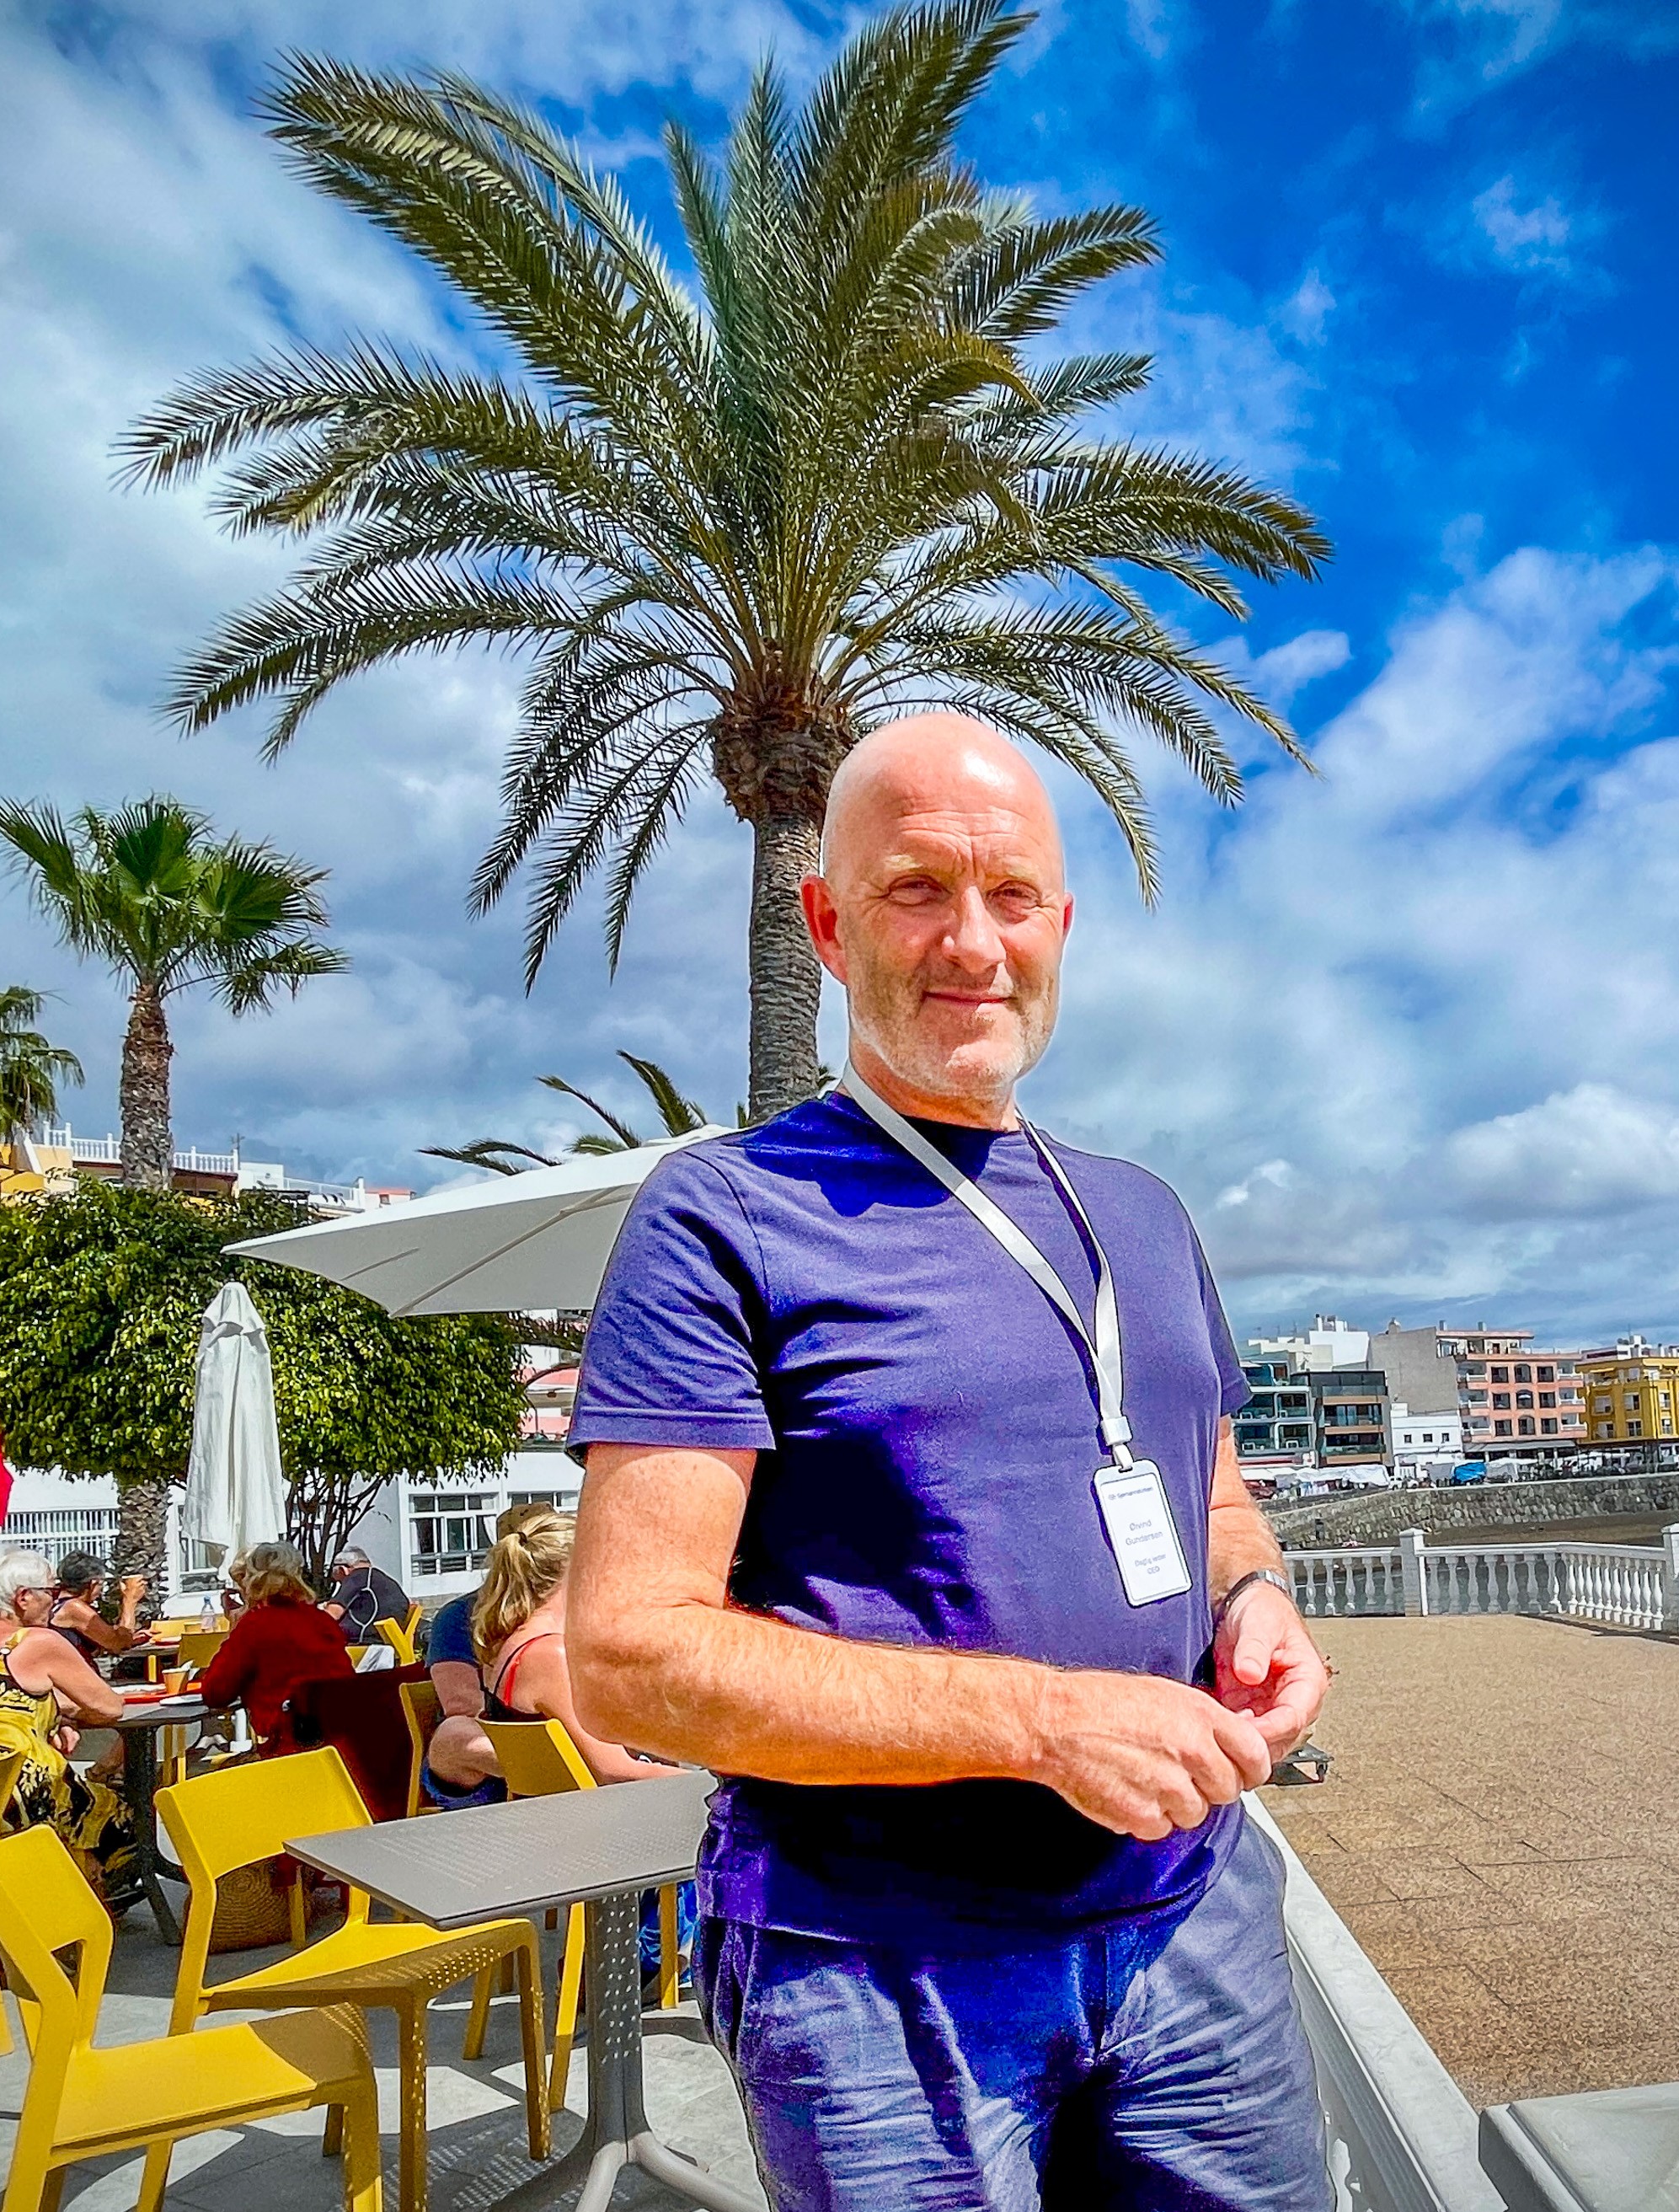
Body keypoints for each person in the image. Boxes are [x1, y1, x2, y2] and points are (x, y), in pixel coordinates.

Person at [565, 714, 1334, 2209]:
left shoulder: (1148, 1212)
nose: (973, 942)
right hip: (877, 1973)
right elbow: (628, 1657)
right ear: (828, 922)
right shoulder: (720, 1215)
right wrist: (1044, 1721)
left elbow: (1215, 1496)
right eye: (918, 889)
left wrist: (1255, 1603)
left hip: (1195, 1919)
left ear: (1063, 926)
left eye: (1014, 896)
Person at [0, 1550, 141, 1902]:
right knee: (117, 1818)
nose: (54, 1603)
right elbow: (109, 1706)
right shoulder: (34, 1642)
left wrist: (49, 1715)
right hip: (1, 1793)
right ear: (23, 1597)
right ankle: (66, 1914)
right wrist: (60, 1714)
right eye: (51, 1593)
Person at [472, 1511, 679, 1786]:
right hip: (589, 1817)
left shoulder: (512, 1646)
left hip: (554, 1812)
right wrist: (711, 1784)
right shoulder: (549, 1656)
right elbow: (613, 1772)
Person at [420, 1500, 563, 1808]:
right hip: (487, 1768)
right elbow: (462, 1707)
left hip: (560, 1747)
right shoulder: (459, 1616)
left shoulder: (569, 1611)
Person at [198, 1544, 359, 1759]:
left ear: (251, 1581)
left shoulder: (256, 1626)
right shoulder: (321, 1621)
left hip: (288, 1749)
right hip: (342, 1746)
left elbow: (215, 1693)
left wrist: (237, 1626)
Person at [48, 1552, 148, 1663]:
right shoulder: (74, 1608)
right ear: (93, 1584)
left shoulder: (58, 1600)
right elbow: (117, 1644)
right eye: (101, 1584)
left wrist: (130, 1638)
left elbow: (109, 1638)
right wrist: (130, 1600)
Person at [321, 1547, 413, 1640]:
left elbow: (332, 1614)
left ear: (343, 1570)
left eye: (341, 1582)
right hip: (389, 1637)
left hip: (366, 1638)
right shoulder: (383, 1579)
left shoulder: (357, 1577)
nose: (343, 1585)